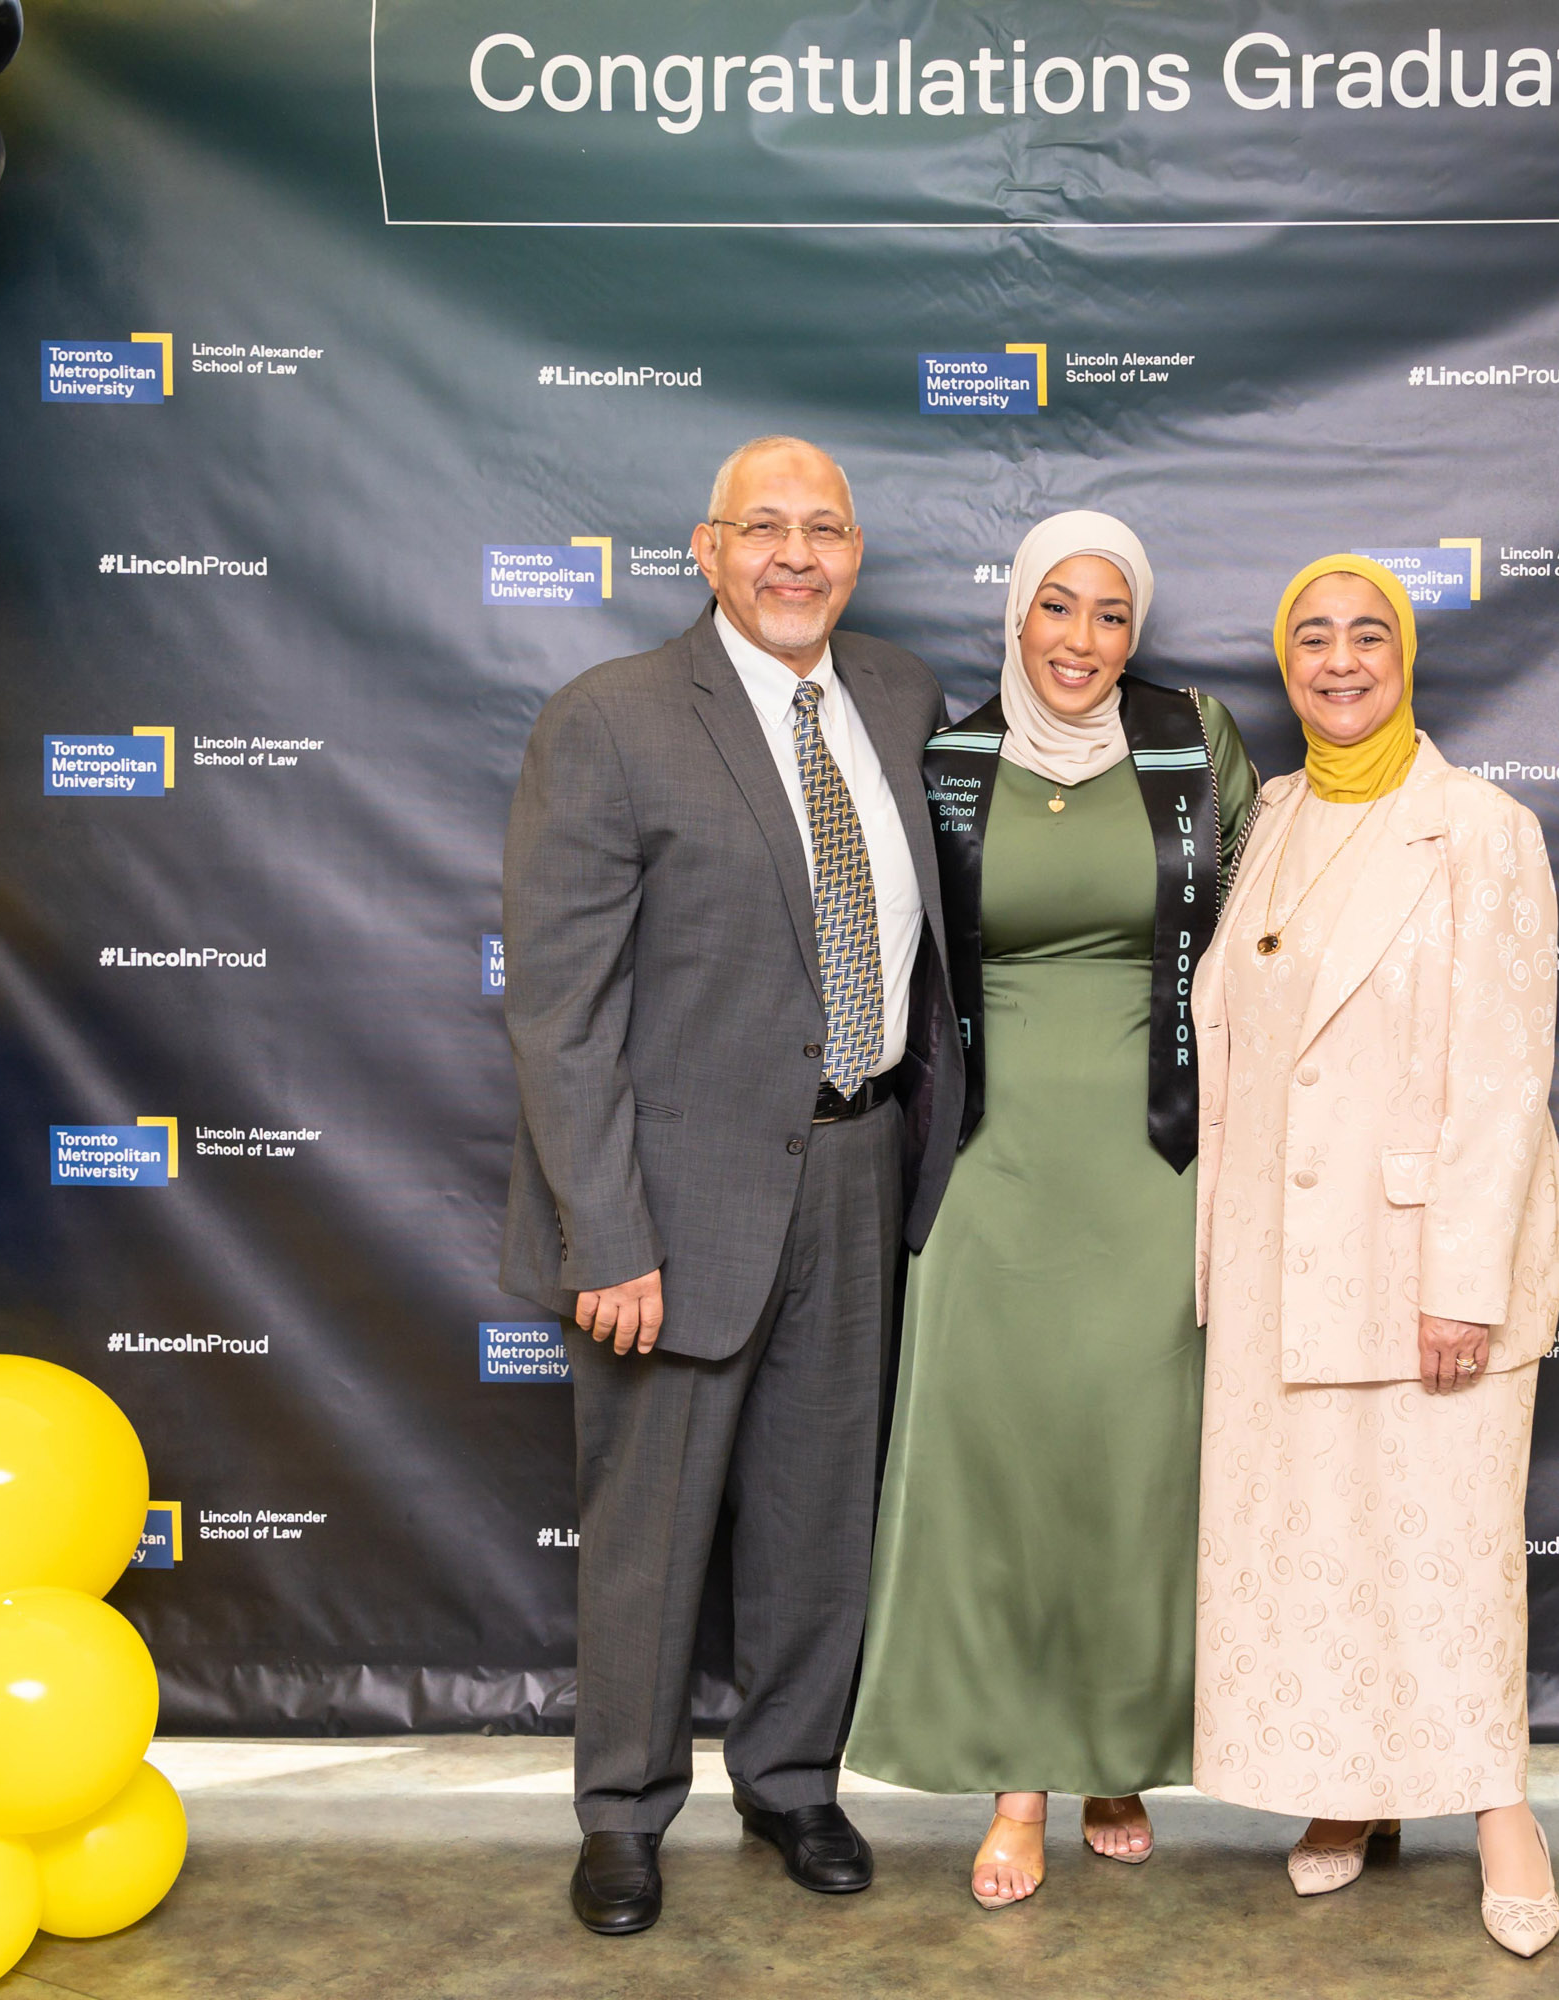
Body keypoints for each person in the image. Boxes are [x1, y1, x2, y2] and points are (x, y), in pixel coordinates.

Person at [501, 436, 962, 1937]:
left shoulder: (896, 697)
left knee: (819, 1512)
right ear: (706, 552)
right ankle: (625, 1814)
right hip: (670, 1199)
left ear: (855, 553)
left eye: (823, 529)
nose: (795, 555)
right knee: (647, 1531)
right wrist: (606, 1234)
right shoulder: (613, 720)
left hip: (856, 1160)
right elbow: (561, 1011)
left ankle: (791, 1779)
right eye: (762, 528)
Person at [845, 511, 1259, 1908]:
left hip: (1156, 1165)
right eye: (1056, 610)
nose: (1081, 641)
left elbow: (1274, 936)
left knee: (1134, 1473)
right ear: (1015, 618)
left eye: (1110, 616)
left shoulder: (1194, 748)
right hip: (992, 1168)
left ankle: (1118, 1753)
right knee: (1007, 1478)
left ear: (1135, 633)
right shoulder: (949, 761)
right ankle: (1024, 1779)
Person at [1189, 555, 1559, 1960]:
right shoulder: (1272, 817)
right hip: (1284, 1255)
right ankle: (1350, 1794)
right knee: (1316, 1552)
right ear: (1285, 667)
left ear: (1404, 655)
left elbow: (1504, 1073)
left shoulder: (1480, 828)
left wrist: (1463, 1281)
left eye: (1367, 636)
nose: (1341, 661)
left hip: (1420, 1262)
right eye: (1311, 639)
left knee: (1451, 1551)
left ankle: (1500, 1810)